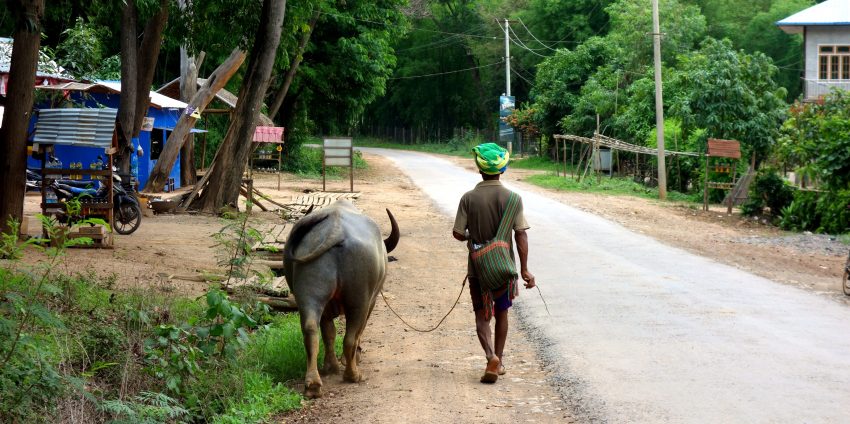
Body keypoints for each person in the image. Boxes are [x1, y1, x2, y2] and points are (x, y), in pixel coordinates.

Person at [452, 142, 536, 384]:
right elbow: (521, 234)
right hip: (503, 269)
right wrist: (525, 269)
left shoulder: (468, 199)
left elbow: (458, 233)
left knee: (481, 315)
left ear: (480, 169)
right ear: (503, 169)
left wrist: (472, 237)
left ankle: (490, 357)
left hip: (478, 270)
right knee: (502, 313)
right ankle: (499, 358)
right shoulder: (513, 199)